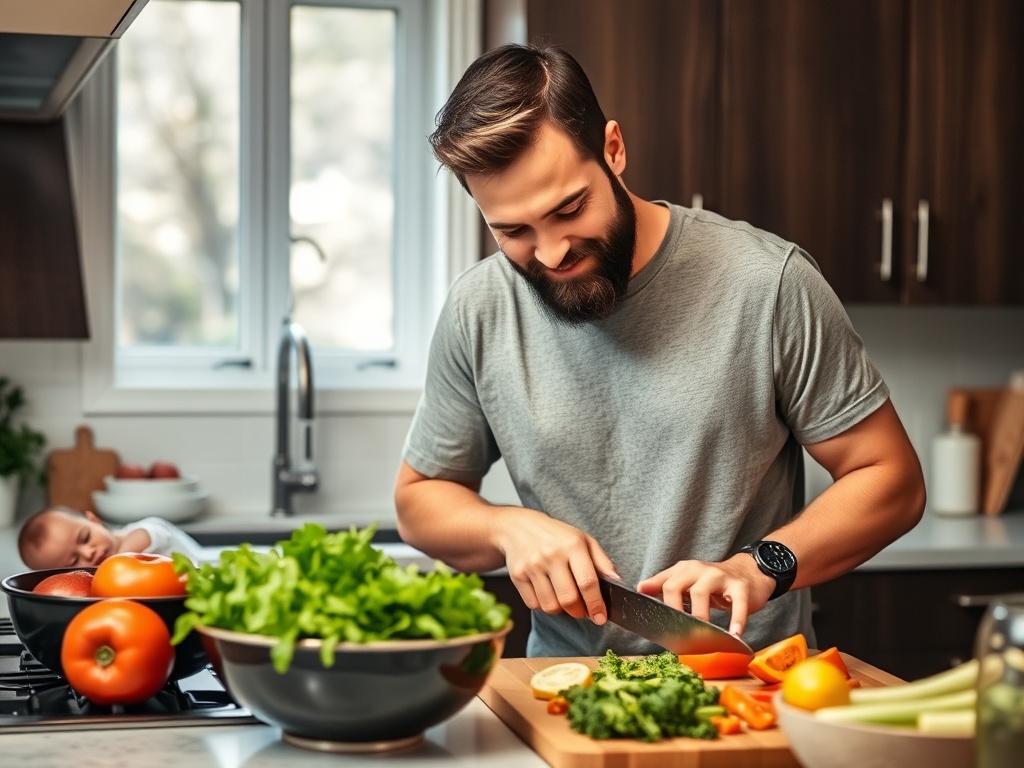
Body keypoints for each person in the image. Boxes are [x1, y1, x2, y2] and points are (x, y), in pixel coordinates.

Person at [394, 43, 926, 657]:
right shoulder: (478, 308)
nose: (549, 253)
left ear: (614, 150)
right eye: (511, 231)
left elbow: (891, 478)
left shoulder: (769, 284)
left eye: (568, 209)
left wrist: (759, 567)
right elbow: (420, 500)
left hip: (743, 690)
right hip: (567, 699)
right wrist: (506, 527)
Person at [18, 505, 205, 569]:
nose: (88, 552)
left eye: (85, 538)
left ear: (94, 520)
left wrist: (112, 565)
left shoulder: (137, 533)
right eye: (73, 561)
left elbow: (152, 533)